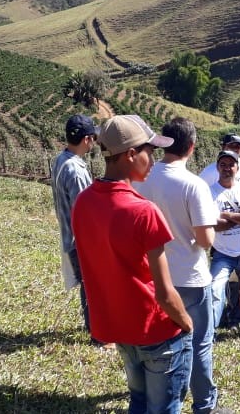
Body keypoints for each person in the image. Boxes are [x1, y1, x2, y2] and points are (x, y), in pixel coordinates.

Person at [71, 114, 194, 414]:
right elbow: (164, 293)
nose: (154, 159)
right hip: (156, 330)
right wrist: (187, 323)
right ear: (129, 154)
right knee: (166, 407)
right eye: (149, 152)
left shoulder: (84, 203)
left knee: (138, 401)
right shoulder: (143, 212)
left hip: (121, 328)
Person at [134, 117, 227, 414]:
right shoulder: (193, 185)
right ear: (192, 147)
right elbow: (205, 239)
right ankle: (204, 403)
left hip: (152, 277)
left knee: (158, 344)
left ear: (164, 143)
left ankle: (154, 397)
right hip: (190, 277)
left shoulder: (142, 179)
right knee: (199, 342)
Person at [50, 114, 98, 341]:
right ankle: (98, 334)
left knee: (88, 284)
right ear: (87, 139)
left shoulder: (60, 159)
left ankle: (93, 327)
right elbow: (85, 210)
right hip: (81, 239)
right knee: (93, 285)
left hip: (69, 235)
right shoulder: (76, 170)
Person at [208, 150, 240, 336]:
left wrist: (226, 215)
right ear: (217, 167)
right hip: (223, 252)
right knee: (214, 289)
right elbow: (216, 225)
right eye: (223, 165)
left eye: (231, 165)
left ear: (237, 168)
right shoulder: (210, 192)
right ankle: (210, 333)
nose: (227, 168)